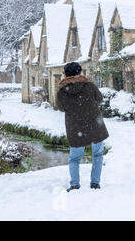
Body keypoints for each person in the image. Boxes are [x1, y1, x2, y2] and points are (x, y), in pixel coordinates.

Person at [56, 62, 109, 192]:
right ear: (80, 73)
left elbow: (61, 108)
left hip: (76, 128)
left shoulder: (62, 91)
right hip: (94, 125)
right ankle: (95, 183)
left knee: (74, 159)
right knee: (97, 155)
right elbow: (100, 99)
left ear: (65, 74)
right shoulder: (89, 86)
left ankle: (75, 184)